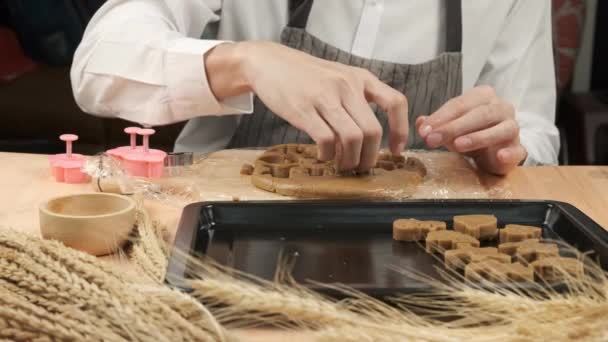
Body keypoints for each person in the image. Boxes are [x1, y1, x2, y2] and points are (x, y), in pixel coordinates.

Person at [70, 0, 559, 175]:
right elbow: (96, 69)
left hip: (414, 252)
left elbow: (536, 137)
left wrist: (505, 148)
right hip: (219, 226)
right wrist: (245, 61)